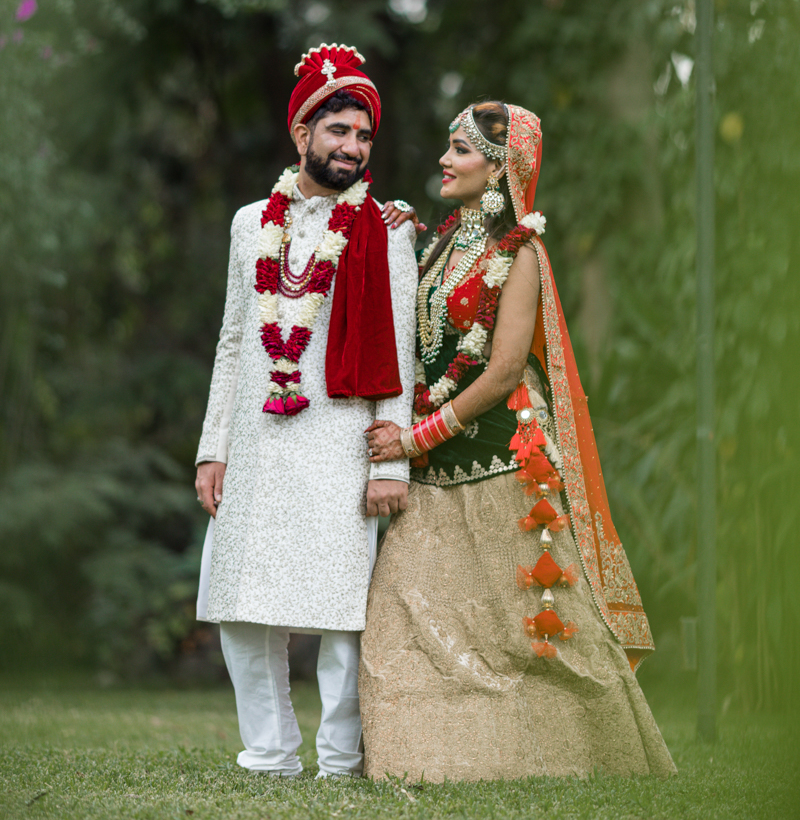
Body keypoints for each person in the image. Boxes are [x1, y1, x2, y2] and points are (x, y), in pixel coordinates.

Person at [362, 101, 676, 781]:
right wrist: (399, 236)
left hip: (507, 463)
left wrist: (418, 437)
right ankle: (420, 758)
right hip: (432, 467)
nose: (444, 160)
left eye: (461, 151)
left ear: (502, 167)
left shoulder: (522, 251)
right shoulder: (442, 242)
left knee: (535, 629)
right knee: (398, 615)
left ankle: (591, 755)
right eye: (447, 147)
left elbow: (503, 369)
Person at [194, 43, 419, 778]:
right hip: (257, 439)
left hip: (342, 437)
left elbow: (400, 351)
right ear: (302, 135)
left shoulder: (384, 231)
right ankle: (269, 754)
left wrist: (394, 462)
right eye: (339, 132)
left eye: (363, 135)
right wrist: (212, 448)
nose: (353, 147)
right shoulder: (248, 223)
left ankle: (339, 756)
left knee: (342, 609)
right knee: (240, 600)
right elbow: (233, 341)